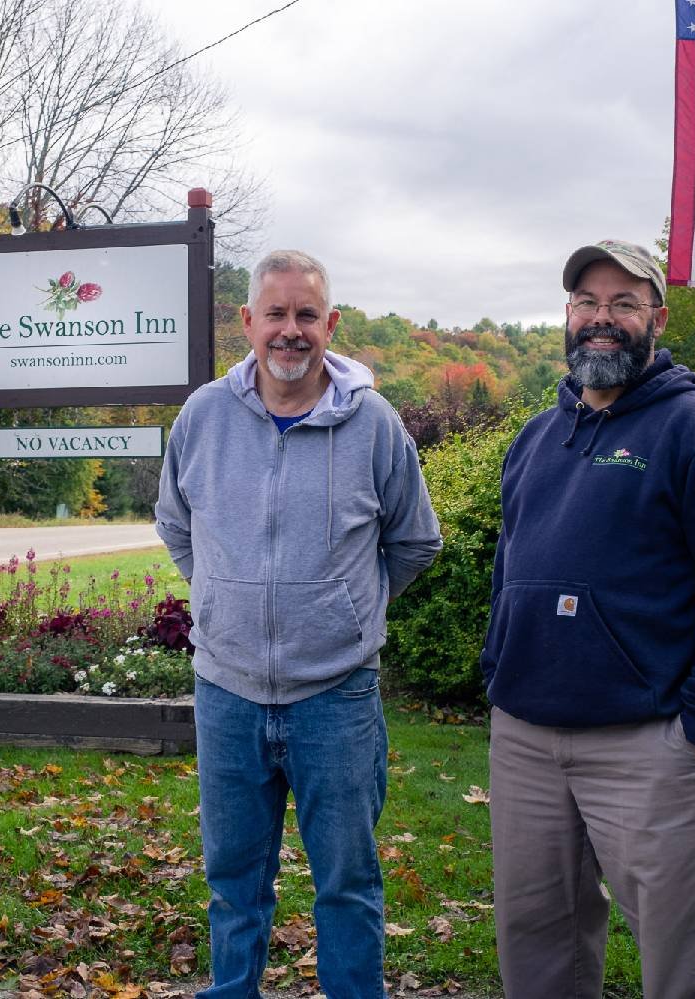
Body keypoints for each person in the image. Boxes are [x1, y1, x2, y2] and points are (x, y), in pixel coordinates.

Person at [479, 239, 695, 998]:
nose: (601, 319)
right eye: (586, 302)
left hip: (646, 746)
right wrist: (497, 669)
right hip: (526, 740)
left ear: (656, 316)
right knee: (537, 948)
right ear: (567, 314)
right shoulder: (536, 438)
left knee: (679, 960)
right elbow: (506, 567)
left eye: (622, 303)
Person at [155, 249, 442, 999]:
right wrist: (224, 597)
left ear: (330, 324)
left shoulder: (374, 424)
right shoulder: (203, 418)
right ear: (247, 321)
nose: (290, 331)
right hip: (228, 691)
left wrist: (348, 612)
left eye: (306, 315)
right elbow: (176, 524)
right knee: (232, 883)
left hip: (336, 698)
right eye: (275, 314)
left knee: (347, 882)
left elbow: (414, 539)